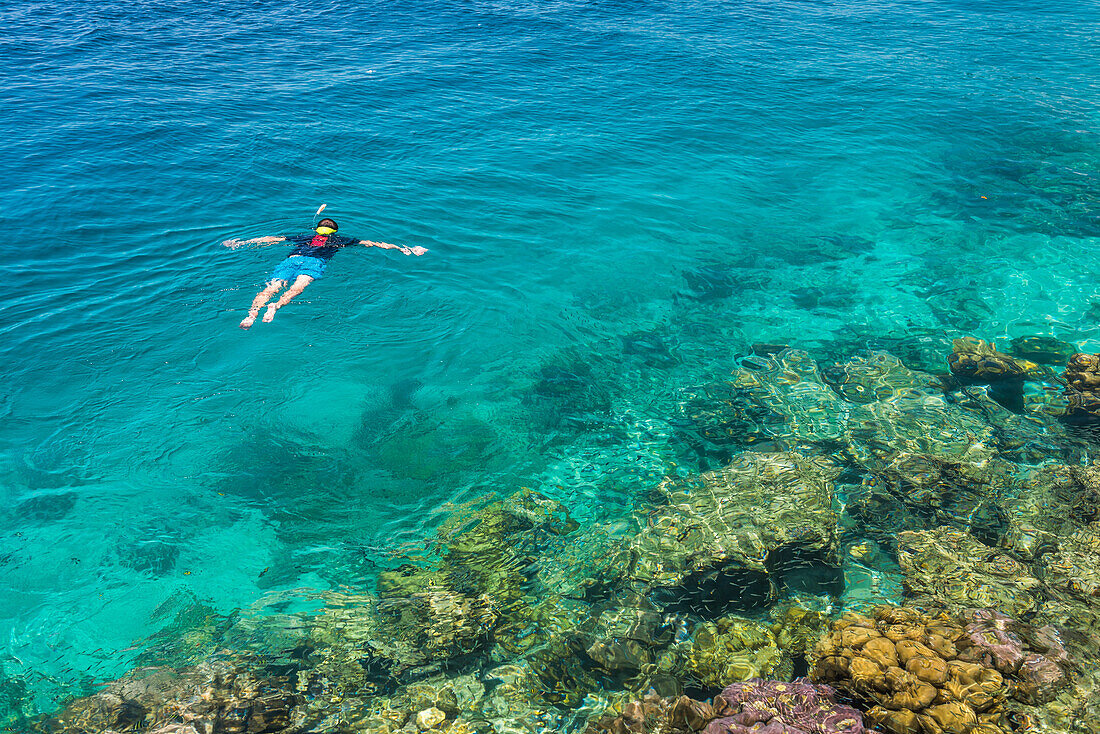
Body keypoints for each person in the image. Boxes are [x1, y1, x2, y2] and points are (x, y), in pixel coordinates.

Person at [224, 218, 427, 329]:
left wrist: (241, 242)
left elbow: (272, 238)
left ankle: (251, 315)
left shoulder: (304, 237)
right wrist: (405, 248)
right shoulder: (341, 240)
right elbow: (375, 244)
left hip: (292, 260)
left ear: (318, 229)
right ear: (334, 232)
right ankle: (275, 307)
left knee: (272, 286)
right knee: (298, 287)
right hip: (315, 263)